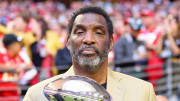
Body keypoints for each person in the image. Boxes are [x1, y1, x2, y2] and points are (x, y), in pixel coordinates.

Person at [23, 6, 157, 101]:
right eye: (80, 32)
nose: (88, 39)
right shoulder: (37, 95)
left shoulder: (142, 92)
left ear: (110, 43)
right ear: (68, 42)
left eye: (98, 33)